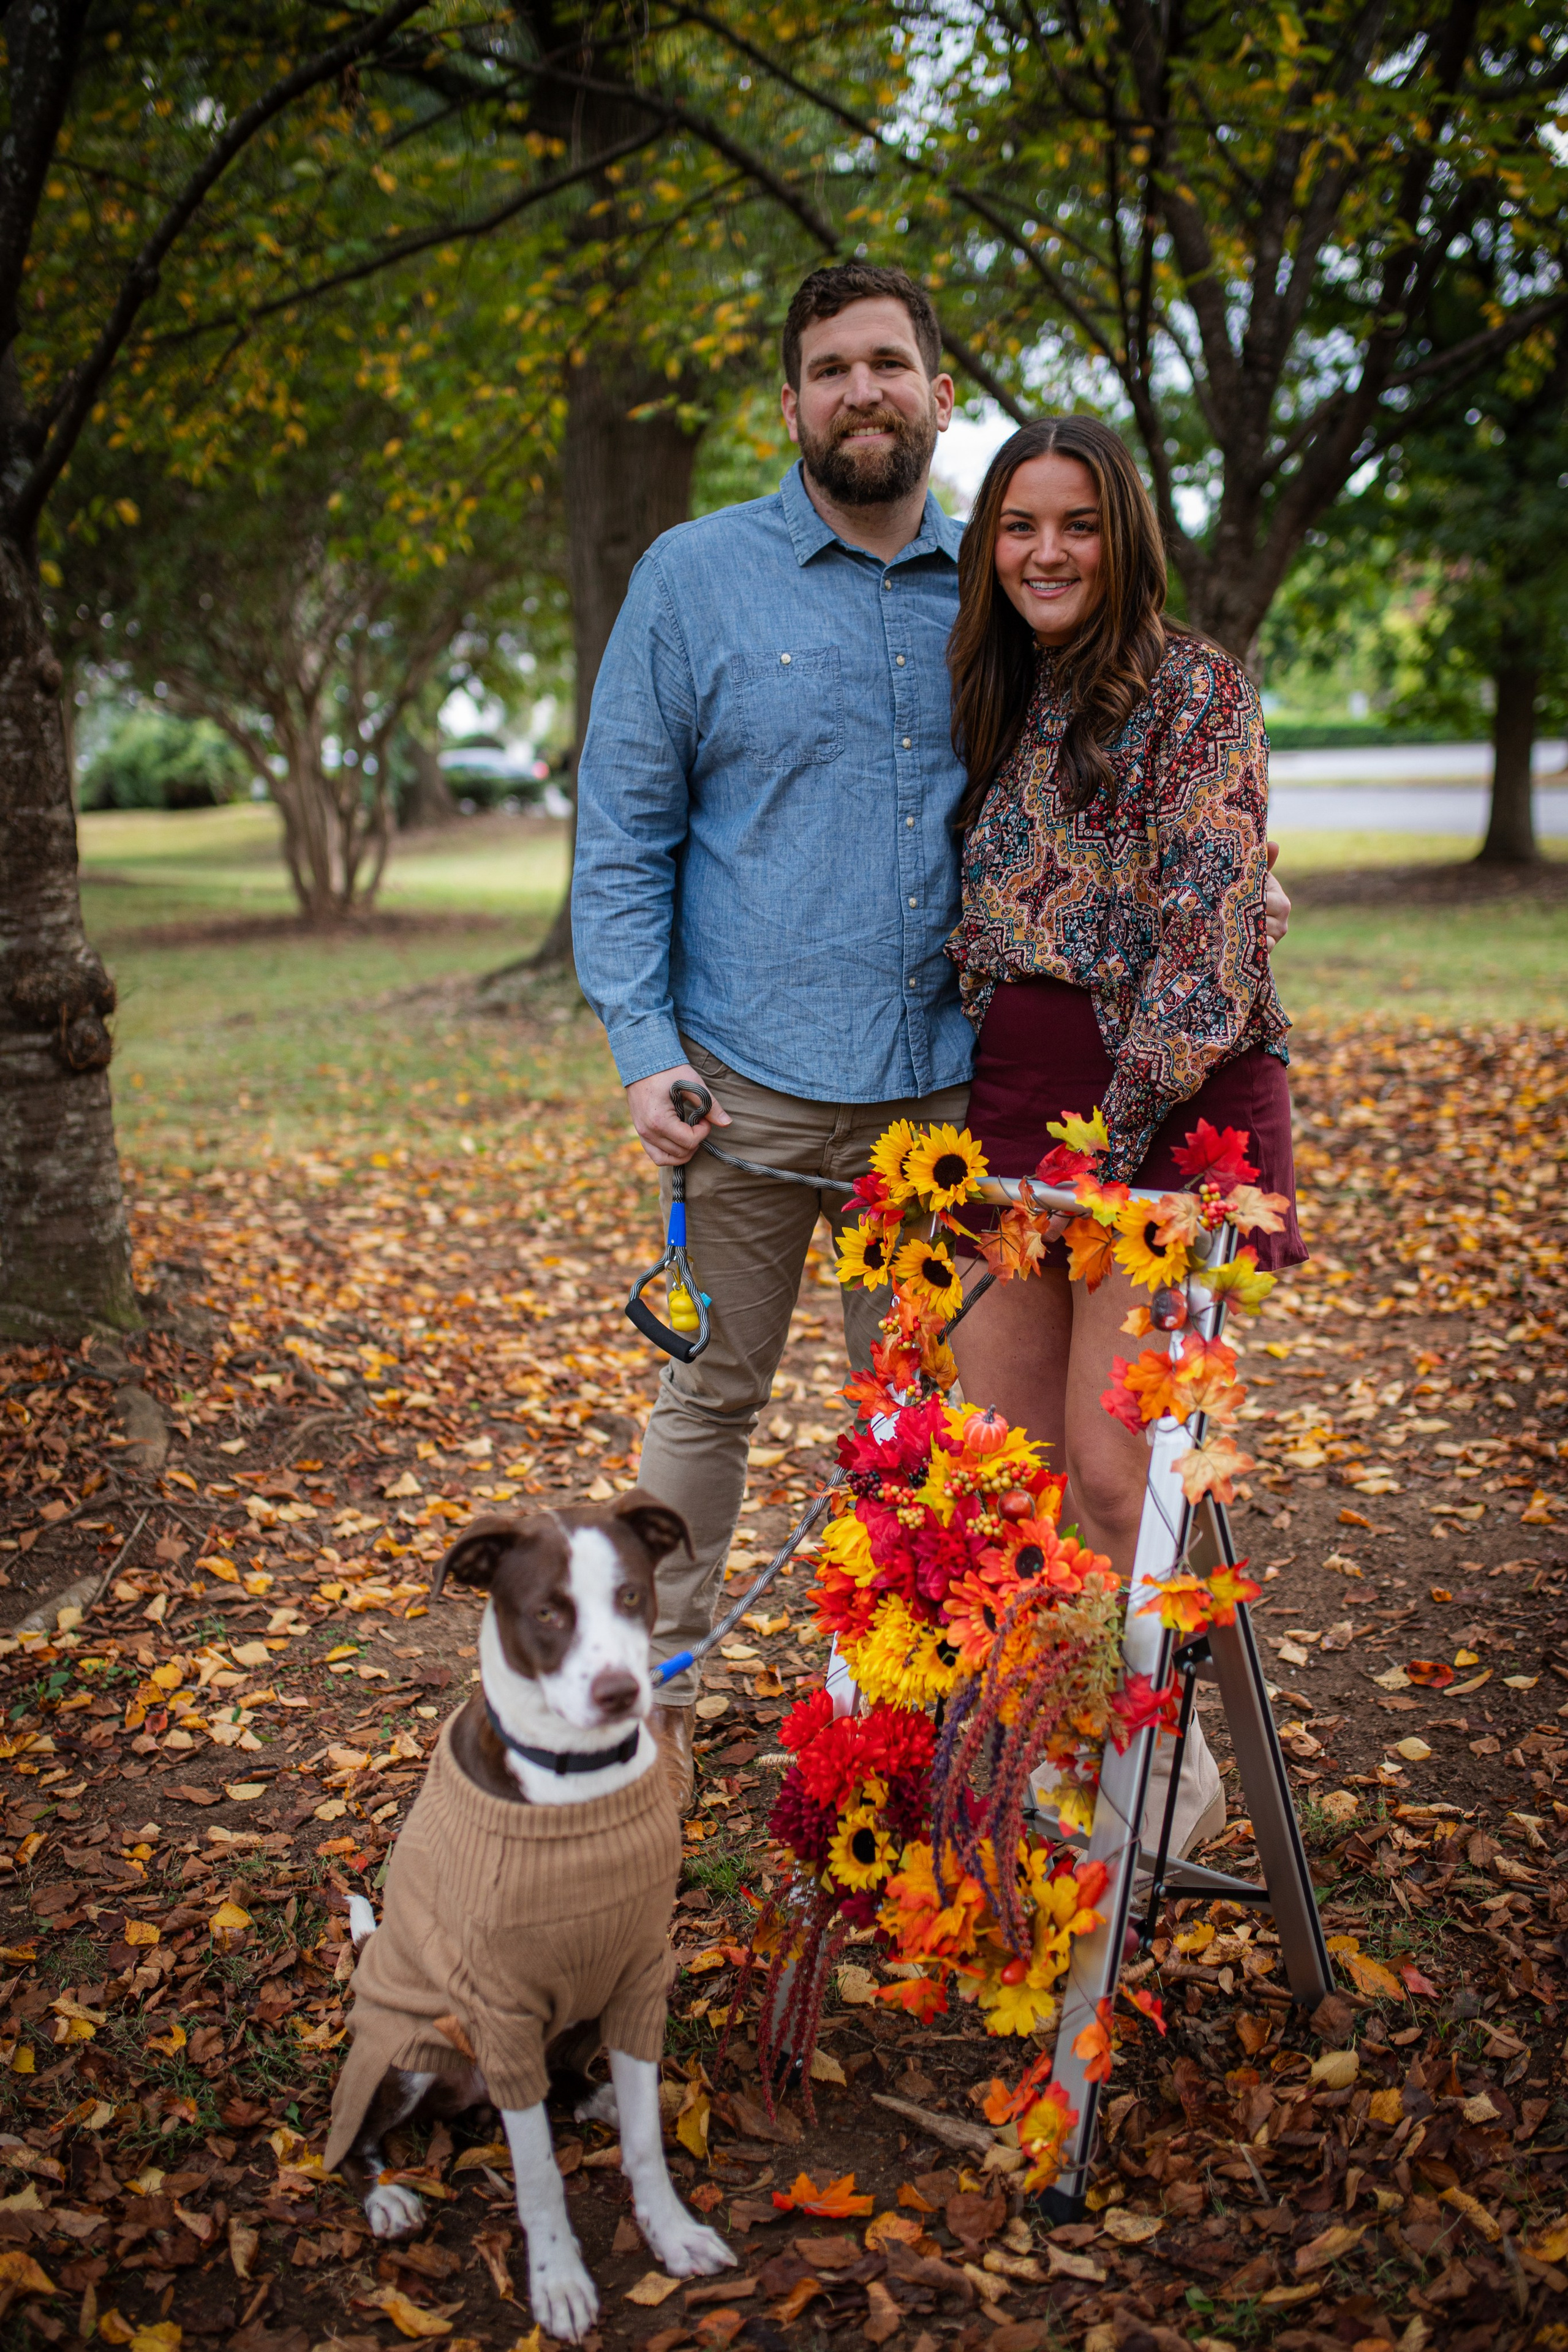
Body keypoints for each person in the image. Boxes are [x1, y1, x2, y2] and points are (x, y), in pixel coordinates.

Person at [572, 267, 1291, 1808]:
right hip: (745, 1098)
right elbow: (621, 834)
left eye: (887, 363)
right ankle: (656, 1718)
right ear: (790, 405)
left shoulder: (1002, 588)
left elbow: (1162, 836)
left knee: (941, 1451)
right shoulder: (692, 580)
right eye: (828, 369)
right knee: (707, 1399)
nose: (861, 392)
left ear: (936, 392)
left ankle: (951, 1733)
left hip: (951, 1120)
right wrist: (643, 1044)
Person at [943, 417, 1307, 1844]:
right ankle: (1067, 1733)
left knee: (1115, 1471)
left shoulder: (1194, 687)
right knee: (1014, 1467)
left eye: (1077, 523)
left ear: (1124, 535)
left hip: (1160, 1113)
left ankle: (1166, 1765)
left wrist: (1107, 1136)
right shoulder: (991, 692)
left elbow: (1212, 941)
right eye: (1019, 525)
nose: (1046, 551)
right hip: (1008, 1116)